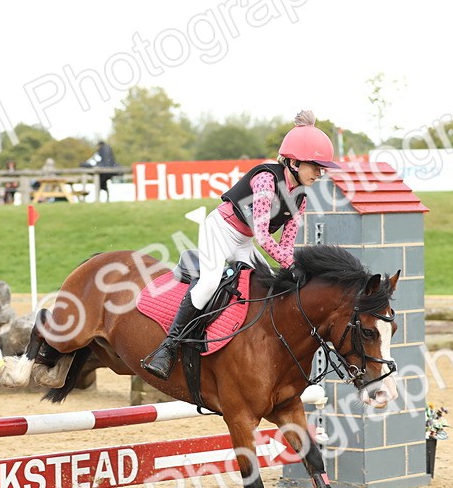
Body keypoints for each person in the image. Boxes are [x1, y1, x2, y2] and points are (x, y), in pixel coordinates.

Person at [141, 110, 341, 380]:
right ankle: (168, 347)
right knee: (210, 283)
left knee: (266, 283)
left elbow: (287, 240)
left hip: (243, 240)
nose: (320, 173)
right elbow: (262, 234)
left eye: (322, 168)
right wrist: (289, 264)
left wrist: (289, 265)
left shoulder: (301, 196)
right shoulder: (266, 180)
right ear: (293, 162)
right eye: (315, 166)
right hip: (220, 230)